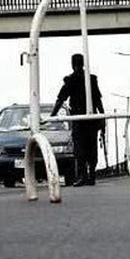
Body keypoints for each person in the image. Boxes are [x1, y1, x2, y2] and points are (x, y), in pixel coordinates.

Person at [51, 53, 105, 186]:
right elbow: (98, 101)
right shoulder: (91, 79)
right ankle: (91, 174)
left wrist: (52, 116)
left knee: (80, 148)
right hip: (92, 118)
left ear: (72, 64)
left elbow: (61, 99)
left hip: (79, 119)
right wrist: (103, 118)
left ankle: (83, 175)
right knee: (91, 146)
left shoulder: (71, 80)